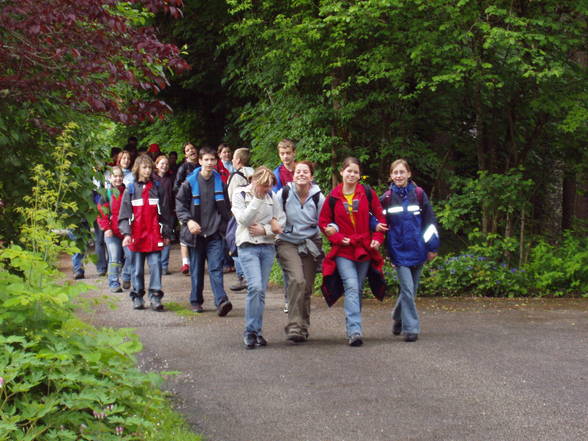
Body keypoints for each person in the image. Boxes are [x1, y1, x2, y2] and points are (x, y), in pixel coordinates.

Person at [318, 157, 388, 347]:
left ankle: (352, 327)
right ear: (341, 172)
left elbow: (381, 219)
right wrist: (338, 238)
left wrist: (377, 239)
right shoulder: (333, 196)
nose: (352, 175)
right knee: (350, 285)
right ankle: (355, 331)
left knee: (356, 288)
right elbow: (323, 223)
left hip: (364, 248)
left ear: (359, 175)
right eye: (349, 171)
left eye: (356, 172)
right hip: (343, 250)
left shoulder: (367, 192)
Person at [380, 159, 440, 342]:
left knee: (411, 291)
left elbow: (429, 222)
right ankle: (411, 328)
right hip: (398, 251)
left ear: (409, 174)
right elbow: (381, 226)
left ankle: (398, 317)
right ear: (391, 176)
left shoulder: (420, 194)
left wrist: (432, 247)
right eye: (395, 173)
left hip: (418, 249)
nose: (399, 175)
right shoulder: (386, 199)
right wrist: (386, 251)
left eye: (402, 172)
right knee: (406, 289)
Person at [175, 146, 233, 316]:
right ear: (199, 161)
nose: (209, 163)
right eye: (206, 160)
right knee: (197, 269)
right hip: (196, 235)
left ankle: (221, 301)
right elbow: (180, 205)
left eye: (212, 160)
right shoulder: (189, 183)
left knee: (216, 268)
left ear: (216, 162)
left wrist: (226, 229)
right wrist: (189, 221)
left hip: (214, 233)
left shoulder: (220, 183)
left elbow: (226, 209)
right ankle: (196, 301)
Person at [232, 166, 284, 349]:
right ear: (254, 181)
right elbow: (244, 221)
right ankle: (250, 332)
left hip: (267, 246)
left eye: (269, 186)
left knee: (260, 290)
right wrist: (257, 199)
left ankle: (257, 331)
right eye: (264, 185)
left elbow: (281, 220)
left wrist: (265, 230)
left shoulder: (273, 197)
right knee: (254, 286)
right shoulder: (240, 195)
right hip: (247, 246)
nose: (267, 189)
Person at [275, 161, 324, 343]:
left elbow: (325, 221)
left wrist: (334, 230)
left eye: (305, 172)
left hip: (310, 243)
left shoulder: (318, 197)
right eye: (298, 172)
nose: (301, 174)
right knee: (298, 279)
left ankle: (302, 326)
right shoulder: (284, 194)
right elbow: (274, 216)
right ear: (293, 176)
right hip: (287, 242)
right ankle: (294, 326)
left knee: (307, 287)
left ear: (311, 176)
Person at [119, 154, 172, 311]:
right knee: (137, 269)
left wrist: (167, 234)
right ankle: (137, 296)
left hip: (154, 235)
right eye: (144, 167)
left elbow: (165, 214)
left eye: (149, 167)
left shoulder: (157, 188)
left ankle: (155, 296)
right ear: (137, 169)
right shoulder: (130, 189)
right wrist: (126, 234)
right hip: (136, 236)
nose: (148, 170)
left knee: (156, 266)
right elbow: (124, 215)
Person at [97, 166, 131, 292]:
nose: (118, 178)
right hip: (112, 232)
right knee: (114, 257)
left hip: (126, 231)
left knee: (131, 255)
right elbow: (101, 213)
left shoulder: (128, 192)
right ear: (110, 178)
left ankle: (126, 276)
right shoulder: (106, 194)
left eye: (120, 176)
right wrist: (106, 228)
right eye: (115, 176)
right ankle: (113, 282)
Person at [272, 138, 297, 312]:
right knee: (287, 264)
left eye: (288, 153)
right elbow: (275, 200)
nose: (285, 157)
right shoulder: (277, 174)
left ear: (294, 153)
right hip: (284, 224)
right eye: (282, 154)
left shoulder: (301, 170)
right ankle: (289, 299)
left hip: (302, 222)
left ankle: (300, 296)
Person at [227, 148, 254, 292]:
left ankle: (243, 276)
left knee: (234, 243)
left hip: (238, 215)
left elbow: (232, 198)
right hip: (254, 214)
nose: (232, 160)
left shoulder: (235, 176)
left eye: (233, 158)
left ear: (237, 160)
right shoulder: (254, 173)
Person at [174, 142, 199, 275]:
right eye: (188, 150)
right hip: (186, 203)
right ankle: (185, 262)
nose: (191, 151)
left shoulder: (202, 165)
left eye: (192, 148)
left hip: (200, 203)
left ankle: (196, 261)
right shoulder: (183, 167)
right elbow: (176, 186)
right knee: (185, 232)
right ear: (185, 154)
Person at [152, 154, 175, 275]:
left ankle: (164, 265)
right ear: (156, 165)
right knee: (156, 237)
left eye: (166, 164)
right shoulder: (152, 179)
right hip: (154, 212)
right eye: (162, 163)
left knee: (167, 238)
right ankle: (156, 265)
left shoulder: (171, 178)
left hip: (168, 212)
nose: (164, 166)